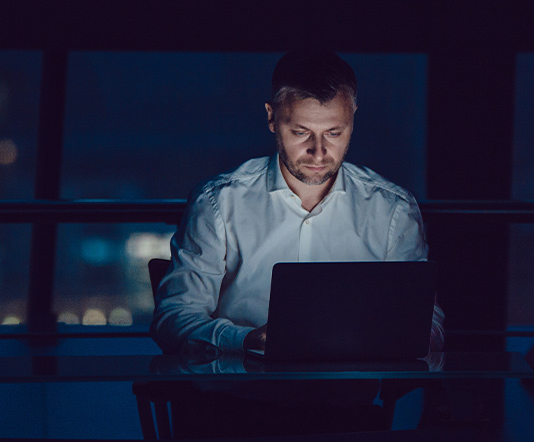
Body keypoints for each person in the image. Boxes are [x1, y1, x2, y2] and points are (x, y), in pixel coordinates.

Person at [151, 48, 444, 356]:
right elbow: (173, 318)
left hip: (348, 399)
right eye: (301, 132)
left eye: (334, 133)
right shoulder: (218, 203)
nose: (318, 152)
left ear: (352, 119)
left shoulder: (392, 210)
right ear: (271, 118)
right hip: (240, 395)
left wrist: (384, 340)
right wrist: (246, 340)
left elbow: (429, 322)